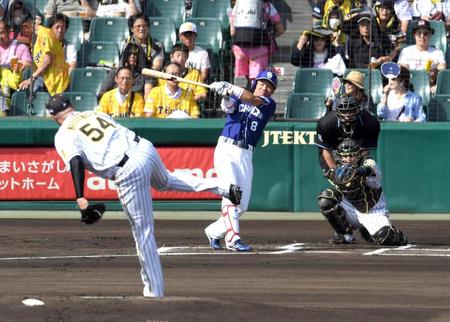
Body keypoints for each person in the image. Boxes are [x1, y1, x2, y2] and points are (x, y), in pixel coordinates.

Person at [45, 94, 242, 298]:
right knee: (165, 180)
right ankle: (223, 187)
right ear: (72, 106)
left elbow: (76, 161)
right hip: (143, 147)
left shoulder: (63, 135)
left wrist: (80, 197)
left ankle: (154, 293)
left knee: (143, 233)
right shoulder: (91, 113)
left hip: (127, 169)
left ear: (53, 116)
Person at [205, 70, 278, 251]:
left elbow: (251, 100)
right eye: (262, 83)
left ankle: (214, 231)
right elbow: (229, 108)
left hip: (246, 154)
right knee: (232, 194)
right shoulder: (240, 98)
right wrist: (225, 95)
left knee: (242, 205)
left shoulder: (268, 104)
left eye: (269, 86)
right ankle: (233, 239)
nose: (265, 87)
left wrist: (230, 87)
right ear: (255, 83)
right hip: (227, 149)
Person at [318, 138, 408, 246]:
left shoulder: (366, 161)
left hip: (372, 210)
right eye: (345, 156)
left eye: (352, 155)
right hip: (351, 208)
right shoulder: (337, 168)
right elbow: (324, 155)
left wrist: (357, 172)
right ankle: (344, 235)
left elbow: (372, 169)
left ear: (358, 155)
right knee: (326, 198)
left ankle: (394, 234)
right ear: (340, 156)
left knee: (384, 237)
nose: (348, 159)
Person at [316, 95, 380, 243]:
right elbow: (326, 150)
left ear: (358, 109)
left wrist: (353, 169)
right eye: (344, 112)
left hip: (357, 157)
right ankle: (343, 233)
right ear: (336, 111)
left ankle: (366, 224)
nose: (347, 115)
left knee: (360, 189)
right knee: (328, 198)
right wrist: (336, 172)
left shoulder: (370, 122)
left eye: (351, 111)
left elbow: (365, 150)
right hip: (333, 157)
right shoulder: (326, 122)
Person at [230, 0, 284, 89]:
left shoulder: (238, 5)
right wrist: (270, 36)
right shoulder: (267, 6)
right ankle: (253, 97)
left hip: (239, 48)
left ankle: (242, 97)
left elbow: (232, 32)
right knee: (256, 78)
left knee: (242, 78)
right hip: (259, 46)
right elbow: (280, 29)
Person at [18, 13, 70, 96]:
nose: (21, 34)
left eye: (21, 31)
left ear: (25, 26)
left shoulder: (46, 34)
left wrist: (32, 78)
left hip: (58, 84)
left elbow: (47, 60)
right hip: (48, 82)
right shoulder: (35, 38)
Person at [122, 14, 164, 100]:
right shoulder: (126, 44)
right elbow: (123, 65)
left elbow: (156, 67)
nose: (141, 29)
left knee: (149, 81)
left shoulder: (157, 45)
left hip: (149, 77)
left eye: (144, 25)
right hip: (130, 76)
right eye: (138, 26)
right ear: (132, 29)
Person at [397, 19, 446, 93]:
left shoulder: (437, 52)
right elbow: (402, 67)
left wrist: (435, 70)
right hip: (409, 87)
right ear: (414, 35)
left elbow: (443, 67)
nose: (422, 36)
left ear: (430, 35)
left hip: (429, 86)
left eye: (425, 34)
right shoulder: (406, 51)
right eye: (419, 33)